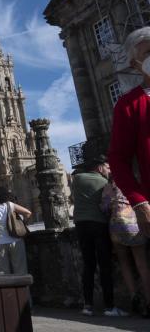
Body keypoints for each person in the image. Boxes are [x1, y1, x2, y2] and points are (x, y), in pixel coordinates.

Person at [72, 155, 128, 317]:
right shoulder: (105, 183)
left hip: (81, 225)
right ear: (99, 168)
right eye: (107, 167)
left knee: (88, 265)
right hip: (98, 224)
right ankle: (109, 307)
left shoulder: (77, 179)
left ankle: (87, 306)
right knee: (104, 265)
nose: (109, 170)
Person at [109, 26, 150, 238]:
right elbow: (117, 159)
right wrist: (139, 201)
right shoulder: (129, 104)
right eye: (148, 53)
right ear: (135, 64)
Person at [102, 181, 150, 316]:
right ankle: (149, 302)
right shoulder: (136, 182)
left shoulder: (109, 186)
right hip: (134, 224)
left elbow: (104, 208)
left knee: (124, 264)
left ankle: (134, 297)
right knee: (142, 265)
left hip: (116, 227)